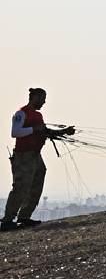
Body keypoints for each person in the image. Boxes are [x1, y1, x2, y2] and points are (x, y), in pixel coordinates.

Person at [3, 87, 75, 231]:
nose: (44, 102)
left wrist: (64, 132)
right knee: (21, 186)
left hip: (36, 155)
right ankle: (7, 220)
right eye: (42, 98)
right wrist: (34, 129)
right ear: (34, 97)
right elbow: (15, 132)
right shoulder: (21, 113)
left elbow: (44, 131)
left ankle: (24, 216)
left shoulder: (38, 116)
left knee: (36, 184)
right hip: (23, 156)